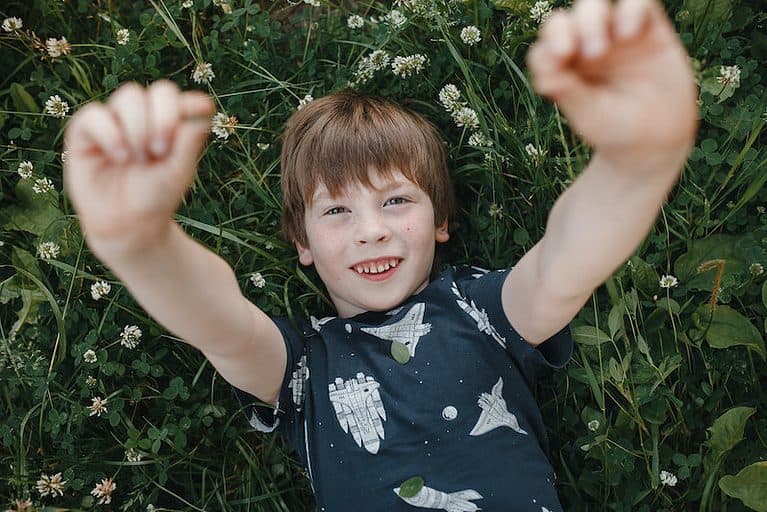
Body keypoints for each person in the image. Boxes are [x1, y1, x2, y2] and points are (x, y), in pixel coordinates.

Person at [62, 0, 698, 509]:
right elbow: (218, 323)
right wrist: (143, 245)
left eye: (396, 202)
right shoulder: (304, 363)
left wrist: (635, 166)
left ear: (441, 220)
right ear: (302, 243)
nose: (371, 231)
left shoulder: (479, 311)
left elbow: (566, 264)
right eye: (337, 211)